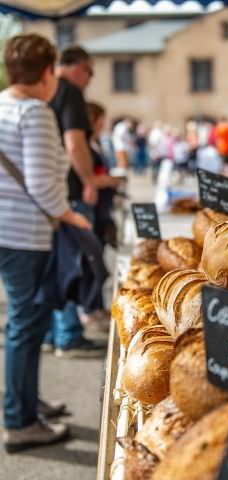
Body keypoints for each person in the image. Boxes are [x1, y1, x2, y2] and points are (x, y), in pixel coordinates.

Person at [0, 34, 91, 453]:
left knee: (25, 325)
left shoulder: (2, 104)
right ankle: (19, 421)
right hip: (25, 234)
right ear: (47, 72)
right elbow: (40, 182)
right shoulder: (34, 111)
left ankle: (27, 402)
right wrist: (71, 216)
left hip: (7, 230)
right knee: (26, 325)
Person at [46, 45, 106, 356]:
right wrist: (89, 181)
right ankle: (68, 335)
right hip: (68, 193)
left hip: (46, 194)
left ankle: (52, 334)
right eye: (91, 72)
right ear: (79, 68)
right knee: (74, 265)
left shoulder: (45, 91)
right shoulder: (69, 92)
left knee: (54, 265)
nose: (89, 80)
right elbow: (75, 142)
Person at [87, 101, 122, 250]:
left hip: (103, 207)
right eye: (102, 119)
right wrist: (110, 181)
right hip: (94, 208)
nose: (104, 124)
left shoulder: (97, 143)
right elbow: (90, 178)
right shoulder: (86, 146)